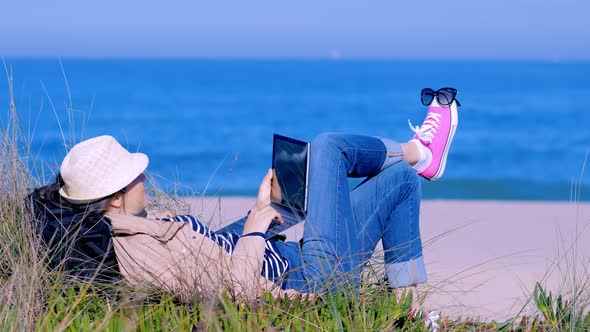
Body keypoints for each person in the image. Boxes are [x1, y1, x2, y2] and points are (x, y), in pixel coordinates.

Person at [29, 88, 459, 306]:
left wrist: (271, 210)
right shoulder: (136, 251)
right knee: (332, 147)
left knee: (400, 180)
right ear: (114, 200)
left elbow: (208, 255)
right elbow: (237, 290)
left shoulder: (130, 227)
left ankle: (402, 302)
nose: (144, 175)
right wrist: (255, 223)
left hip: (285, 258)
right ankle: (422, 150)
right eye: (133, 176)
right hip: (312, 280)